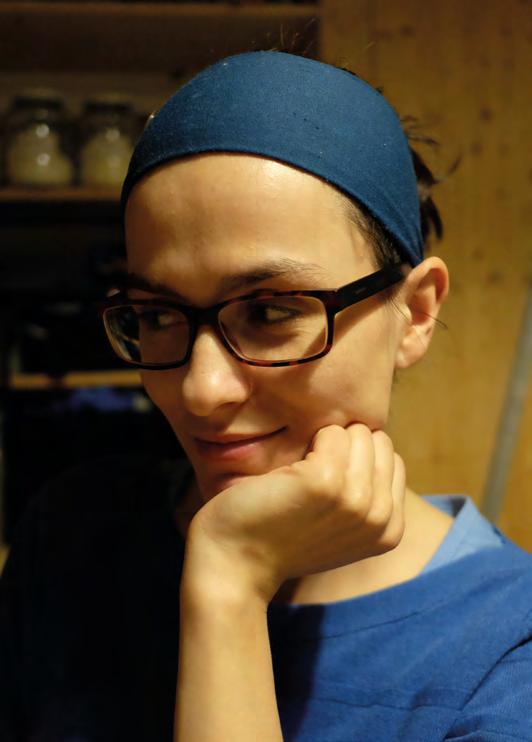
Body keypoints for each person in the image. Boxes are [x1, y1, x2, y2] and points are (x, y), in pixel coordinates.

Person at [1, 50, 531, 742]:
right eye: (157, 315)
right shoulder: (71, 535)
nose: (201, 391)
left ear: (416, 313)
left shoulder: (506, 646)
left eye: (270, 311)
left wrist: (231, 581)